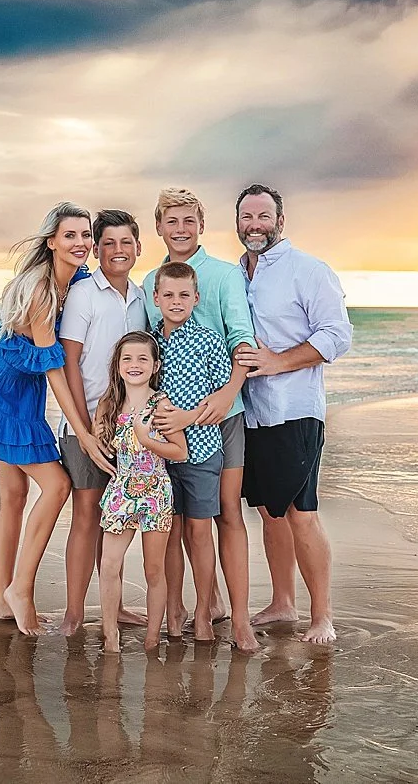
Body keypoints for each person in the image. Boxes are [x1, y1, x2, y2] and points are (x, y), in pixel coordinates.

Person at [0, 202, 112, 636]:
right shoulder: (42, 291)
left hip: (18, 394)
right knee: (57, 486)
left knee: (13, 496)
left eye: (86, 235)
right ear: (51, 242)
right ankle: (20, 590)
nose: (80, 243)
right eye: (70, 235)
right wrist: (82, 432)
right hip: (6, 396)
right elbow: (54, 370)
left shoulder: (74, 280)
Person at [232, 184, 352, 644]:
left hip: (296, 411)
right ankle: (283, 602)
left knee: (302, 513)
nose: (255, 225)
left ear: (280, 221)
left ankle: (322, 616)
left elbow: (337, 334)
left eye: (264, 216)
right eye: (247, 217)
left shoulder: (309, 270)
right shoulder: (237, 275)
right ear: (237, 222)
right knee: (270, 512)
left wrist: (279, 361)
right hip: (252, 413)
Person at [143, 187, 259, 651]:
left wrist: (228, 395)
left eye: (189, 220)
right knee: (174, 519)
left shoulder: (226, 275)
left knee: (225, 512)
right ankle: (194, 607)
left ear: (202, 225)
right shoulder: (150, 281)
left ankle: (240, 619)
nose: (181, 229)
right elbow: (146, 348)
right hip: (169, 423)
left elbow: (242, 339)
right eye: (171, 221)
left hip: (222, 415)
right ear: (159, 227)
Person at [57, 210, 150, 637]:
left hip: (129, 427)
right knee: (86, 515)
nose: (118, 250)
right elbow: (69, 362)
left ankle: (115, 607)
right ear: (96, 249)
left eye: (126, 242)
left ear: (138, 247)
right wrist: (85, 427)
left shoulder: (142, 297)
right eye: (108, 243)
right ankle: (74, 614)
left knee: (117, 519)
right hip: (85, 423)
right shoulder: (83, 294)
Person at [150, 261, 231, 641]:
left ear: (196, 298)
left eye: (184, 295)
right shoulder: (149, 343)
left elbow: (223, 399)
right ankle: (174, 608)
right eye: (168, 294)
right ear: (156, 298)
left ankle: (203, 611)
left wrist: (187, 418)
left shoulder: (209, 341)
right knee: (169, 533)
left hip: (201, 451)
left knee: (199, 531)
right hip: (160, 456)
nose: (176, 301)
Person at [95, 331, 187, 652]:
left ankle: (152, 638)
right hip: (121, 491)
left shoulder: (160, 404)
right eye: (127, 359)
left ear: (155, 365)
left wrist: (146, 439)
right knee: (109, 564)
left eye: (142, 359)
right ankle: (110, 636)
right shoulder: (109, 403)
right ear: (118, 365)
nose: (134, 365)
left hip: (155, 492)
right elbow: (101, 444)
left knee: (154, 569)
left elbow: (180, 451)